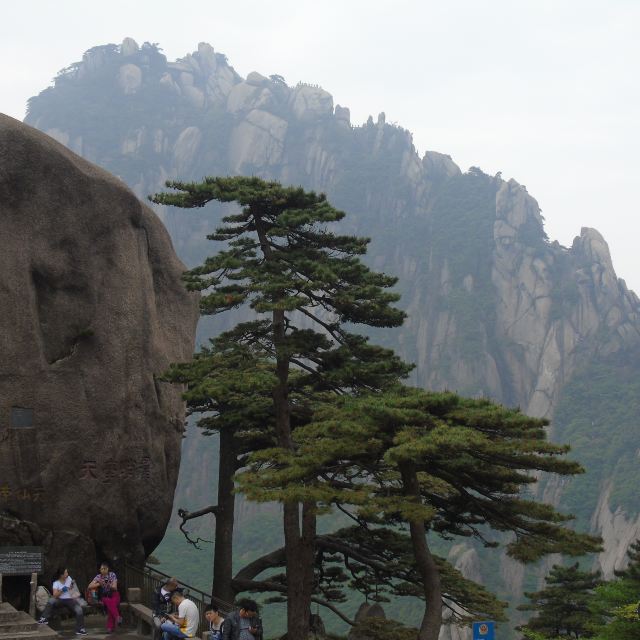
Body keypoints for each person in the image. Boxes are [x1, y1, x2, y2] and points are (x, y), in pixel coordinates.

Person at [37, 567, 87, 636]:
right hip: (60, 600)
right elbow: (55, 595)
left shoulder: (69, 578)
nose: (67, 574)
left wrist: (74, 591)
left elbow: (73, 589)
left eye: (67, 572)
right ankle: (43, 618)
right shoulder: (56, 583)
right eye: (66, 573)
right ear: (61, 575)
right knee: (51, 600)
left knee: (79, 610)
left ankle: (80, 629)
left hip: (69, 599)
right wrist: (62, 590)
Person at [87, 561, 121, 633]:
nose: (103, 570)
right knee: (109, 601)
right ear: (100, 570)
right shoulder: (98, 577)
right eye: (102, 569)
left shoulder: (112, 575)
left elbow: (115, 587)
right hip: (105, 596)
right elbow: (89, 586)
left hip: (114, 594)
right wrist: (99, 583)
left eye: (105, 568)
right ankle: (117, 617)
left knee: (111, 604)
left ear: (108, 569)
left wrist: (108, 584)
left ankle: (110, 627)